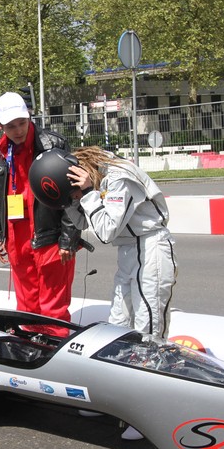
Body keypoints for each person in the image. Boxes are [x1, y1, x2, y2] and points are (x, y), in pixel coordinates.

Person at [65, 145, 177, 339]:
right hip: (127, 250)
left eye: (75, 192)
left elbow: (106, 231)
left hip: (150, 247)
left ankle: (151, 358)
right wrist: (67, 202)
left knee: (148, 328)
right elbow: (83, 222)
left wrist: (89, 192)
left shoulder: (119, 176)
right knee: (118, 324)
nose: (76, 196)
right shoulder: (101, 176)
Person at [0, 91, 79, 327]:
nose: (18, 130)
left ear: (29, 116)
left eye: (22, 123)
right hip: (17, 237)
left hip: (50, 236)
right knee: (26, 305)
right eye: (11, 126)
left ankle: (53, 346)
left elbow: (73, 194)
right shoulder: (0, 150)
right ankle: (30, 345)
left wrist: (68, 238)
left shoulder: (54, 143)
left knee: (53, 306)